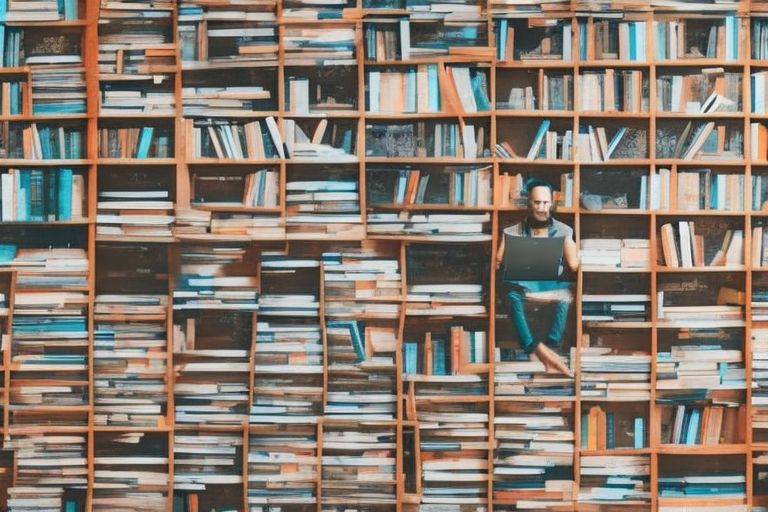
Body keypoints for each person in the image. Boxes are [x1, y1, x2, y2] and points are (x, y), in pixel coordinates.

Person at [496, 179, 578, 377]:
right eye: (536, 203)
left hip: (550, 283)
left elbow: (574, 265)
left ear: (552, 203)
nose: (541, 208)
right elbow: (497, 262)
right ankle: (535, 348)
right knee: (509, 293)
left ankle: (550, 346)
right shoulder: (512, 231)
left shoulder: (564, 231)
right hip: (522, 284)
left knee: (566, 295)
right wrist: (506, 254)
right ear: (529, 204)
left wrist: (573, 251)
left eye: (545, 203)